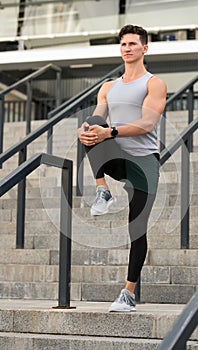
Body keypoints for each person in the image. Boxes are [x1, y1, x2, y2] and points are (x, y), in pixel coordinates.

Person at [78, 24, 167, 312]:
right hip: (118, 160)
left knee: (137, 229)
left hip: (144, 164)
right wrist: (88, 130)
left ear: (145, 48)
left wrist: (110, 132)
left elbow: (147, 124)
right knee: (91, 125)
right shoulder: (108, 87)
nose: (127, 48)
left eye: (132, 43)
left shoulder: (154, 83)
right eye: (123, 44)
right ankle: (102, 191)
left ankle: (128, 293)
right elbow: (99, 117)